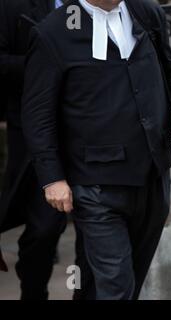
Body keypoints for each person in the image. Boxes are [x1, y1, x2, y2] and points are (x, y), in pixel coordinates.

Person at [21, 0, 171, 299]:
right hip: (95, 185)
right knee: (116, 285)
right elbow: (38, 116)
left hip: (152, 176)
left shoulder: (147, 12)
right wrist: (52, 178)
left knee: (122, 283)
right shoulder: (53, 32)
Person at [0, 0, 68, 300]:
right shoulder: (10, 5)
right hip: (32, 130)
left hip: (92, 131)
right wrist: (47, 64)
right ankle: (33, 291)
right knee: (42, 228)